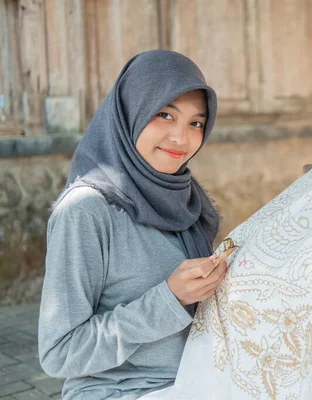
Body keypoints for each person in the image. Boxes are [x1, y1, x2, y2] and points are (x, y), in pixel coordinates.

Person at [38, 50, 227, 399]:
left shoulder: (185, 201)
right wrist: (168, 300)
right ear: (129, 112)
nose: (180, 137)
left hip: (198, 382)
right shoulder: (86, 211)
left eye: (195, 123)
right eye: (164, 114)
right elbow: (59, 353)